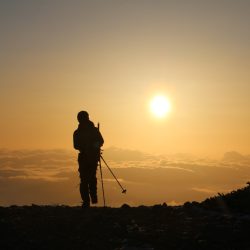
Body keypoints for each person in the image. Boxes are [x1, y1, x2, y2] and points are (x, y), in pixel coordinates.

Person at [73, 111, 104, 208]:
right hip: (90, 157)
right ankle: (91, 199)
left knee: (85, 179)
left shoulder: (78, 132)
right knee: (90, 178)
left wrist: (89, 147)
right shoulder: (93, 130)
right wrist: (93, 147)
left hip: (87, 157)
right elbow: (101, 141)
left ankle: (87, 201)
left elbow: (76, 145)